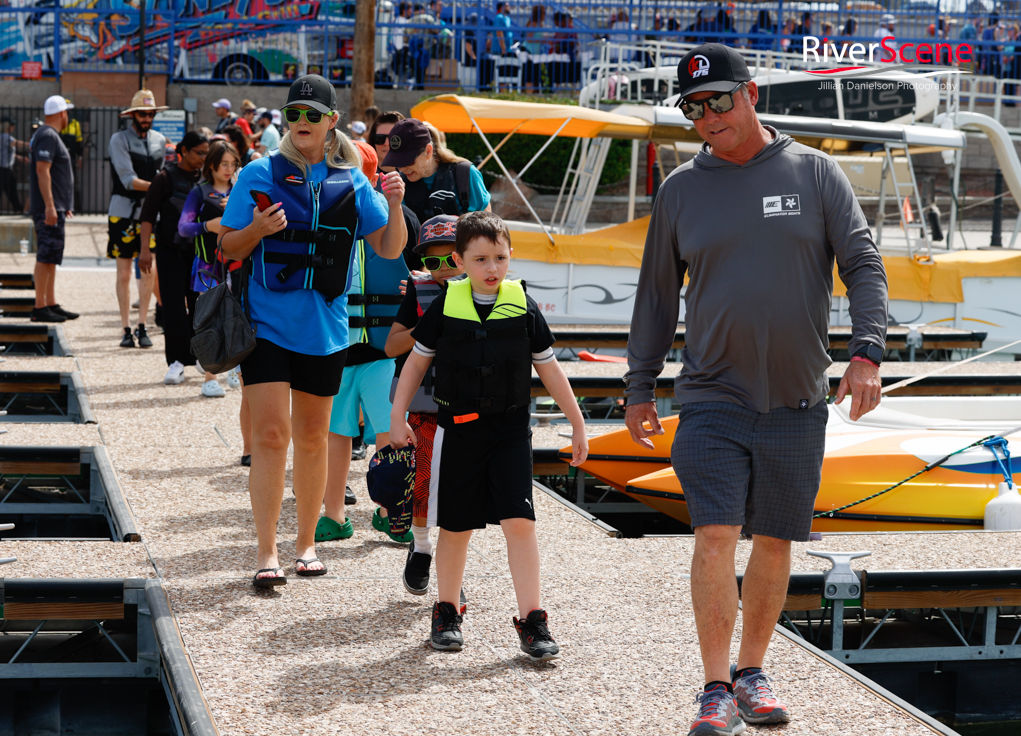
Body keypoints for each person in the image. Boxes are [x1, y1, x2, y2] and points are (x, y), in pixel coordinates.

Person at [622, 44, 888, 736]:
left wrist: (865, 352)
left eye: (717, 99)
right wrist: (638, 386)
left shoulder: (813, 171)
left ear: (751, 94)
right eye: (692, 107)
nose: (707, 115)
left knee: (772, 540)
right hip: (710, 394)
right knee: (714, 533)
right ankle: (713, 686)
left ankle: (751, 671)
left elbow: (862, 265)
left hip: (796, 399)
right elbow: (655, 296)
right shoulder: (681, 189)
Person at [218, 75, 408, 588]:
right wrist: (257, 231)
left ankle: (305, 544)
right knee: (271, 435)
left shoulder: (352, 181)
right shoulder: (258, 173)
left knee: (311, 437)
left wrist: (394, 201)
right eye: (293, 113)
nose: (301, 122)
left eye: (311, 114)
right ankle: (265, 552)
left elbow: (390, 248)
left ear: (330, 122)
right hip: (265, 328)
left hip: (326, 331)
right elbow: (229, 247)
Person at [389, 210, 587, 659]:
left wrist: (576, 423)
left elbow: (550, 368)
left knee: (521, 524)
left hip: (510, 434)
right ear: (459, 260)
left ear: (511, 255)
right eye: (480, 259)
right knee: (456, 528)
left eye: (499, 257)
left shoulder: (524, 307)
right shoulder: (443, 305)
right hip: (458, 433)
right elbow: (415, 364)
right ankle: (446, 609)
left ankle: (533, 621)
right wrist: (397, 416)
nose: (492, 268)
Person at [317, 140, 421, 544]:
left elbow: (425, 267)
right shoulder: (321, 214)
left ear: (371, 177)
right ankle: (333, 514)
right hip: (335, 349)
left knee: (388, 434)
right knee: (335, 434)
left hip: (383, 352)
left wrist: (413, 286)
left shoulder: (399, 217)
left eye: (353, 172)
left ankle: (389, 511)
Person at [384, 213, 462, 594]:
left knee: (459, 489)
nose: (444, 269)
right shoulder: (418, 291)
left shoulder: (490, 293)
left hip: (468, 406)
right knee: (422, 483)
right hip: (424, 409)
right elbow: (392, 345)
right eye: (433, 262)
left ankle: (450, 566)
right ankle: (421, 545)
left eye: (452, 259)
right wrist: (429, 323)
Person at [178, 140, 250, 446]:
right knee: (209, 319)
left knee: (236, 317)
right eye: (224, 164)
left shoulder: (240, 190)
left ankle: (233, 365)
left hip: (237, 267)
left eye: (233, 164)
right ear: (211, 166)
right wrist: (208, 224)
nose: (229, 170)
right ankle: (210, 375)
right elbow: (183, 227)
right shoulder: (199, 192)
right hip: (208, 267)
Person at [137, 131, 211, 388]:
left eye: (206, 153)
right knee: (173, 307)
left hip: (199, 255)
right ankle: (176, 361)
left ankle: (199, 353)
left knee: (199, 306)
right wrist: (145, 249)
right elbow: (148, 215)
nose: (203, 157)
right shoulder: (165, 177)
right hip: (170, 252)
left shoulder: (207, 179)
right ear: (184, 151)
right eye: (199, 152)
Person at [108, 89, 168, 348]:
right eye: (142, 113)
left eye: (150, 113)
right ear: (132, 115)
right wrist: (160, 187)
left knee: (149, 270)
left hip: (149, 213)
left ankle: (142, 324)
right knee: (123, 273)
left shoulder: (160, 140)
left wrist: (161, 188)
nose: (146, 117)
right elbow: (127, 179)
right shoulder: (119, 139)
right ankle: (125, 328)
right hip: (122, 211)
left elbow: (163, 174)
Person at [382, 118, 491, 225]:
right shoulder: (398, 187)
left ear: (428, 151)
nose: (401, 169)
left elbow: (488, 226)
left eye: (408, 161)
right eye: (397, 162)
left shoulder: (465, 174)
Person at [28, 95, 77, 324]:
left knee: (51, 256)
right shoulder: (48, 135)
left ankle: (50, 302)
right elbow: (42, 171)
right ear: (62, 114)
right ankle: (40, 306)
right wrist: (49, 206)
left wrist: (62, 205)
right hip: (48, 208)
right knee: (45, 255)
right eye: (67, 112)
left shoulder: (48, 135)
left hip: (55, 207)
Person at [0, 115, 27, 213]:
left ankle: (18, 209)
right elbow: (17, 143)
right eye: (12, 125)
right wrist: (31, 143)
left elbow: (7, 152)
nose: (13, 127)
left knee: (11, 189)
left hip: (6, 168)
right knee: (10, 189)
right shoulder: (4, 137)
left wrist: (19, 158)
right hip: (3, 168)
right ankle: (18, 209)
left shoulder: (5, 137)